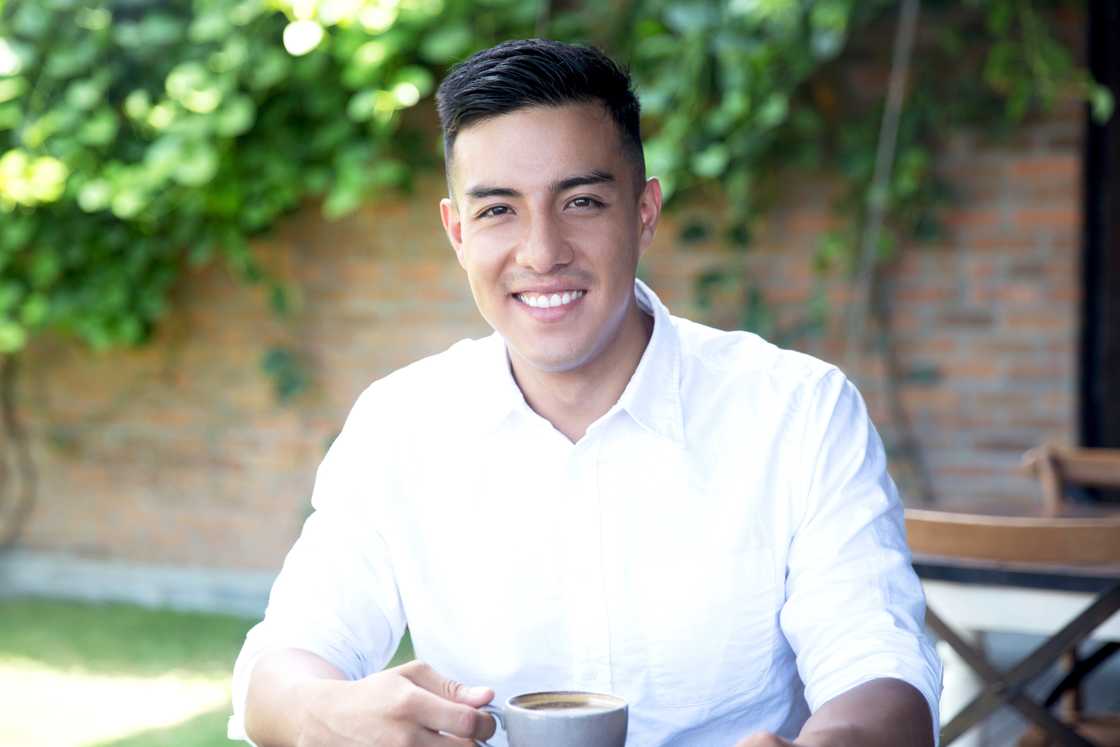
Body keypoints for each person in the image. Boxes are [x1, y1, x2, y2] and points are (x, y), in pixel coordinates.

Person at [230, 38, 942, 747]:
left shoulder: (799, 411)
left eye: (581, 201)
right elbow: (279, 667)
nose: (542, 252)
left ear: (643, 211)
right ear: (457, 232)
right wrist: (332, 715)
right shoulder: (401, 423)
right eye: (497, 211)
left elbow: (882, 675)